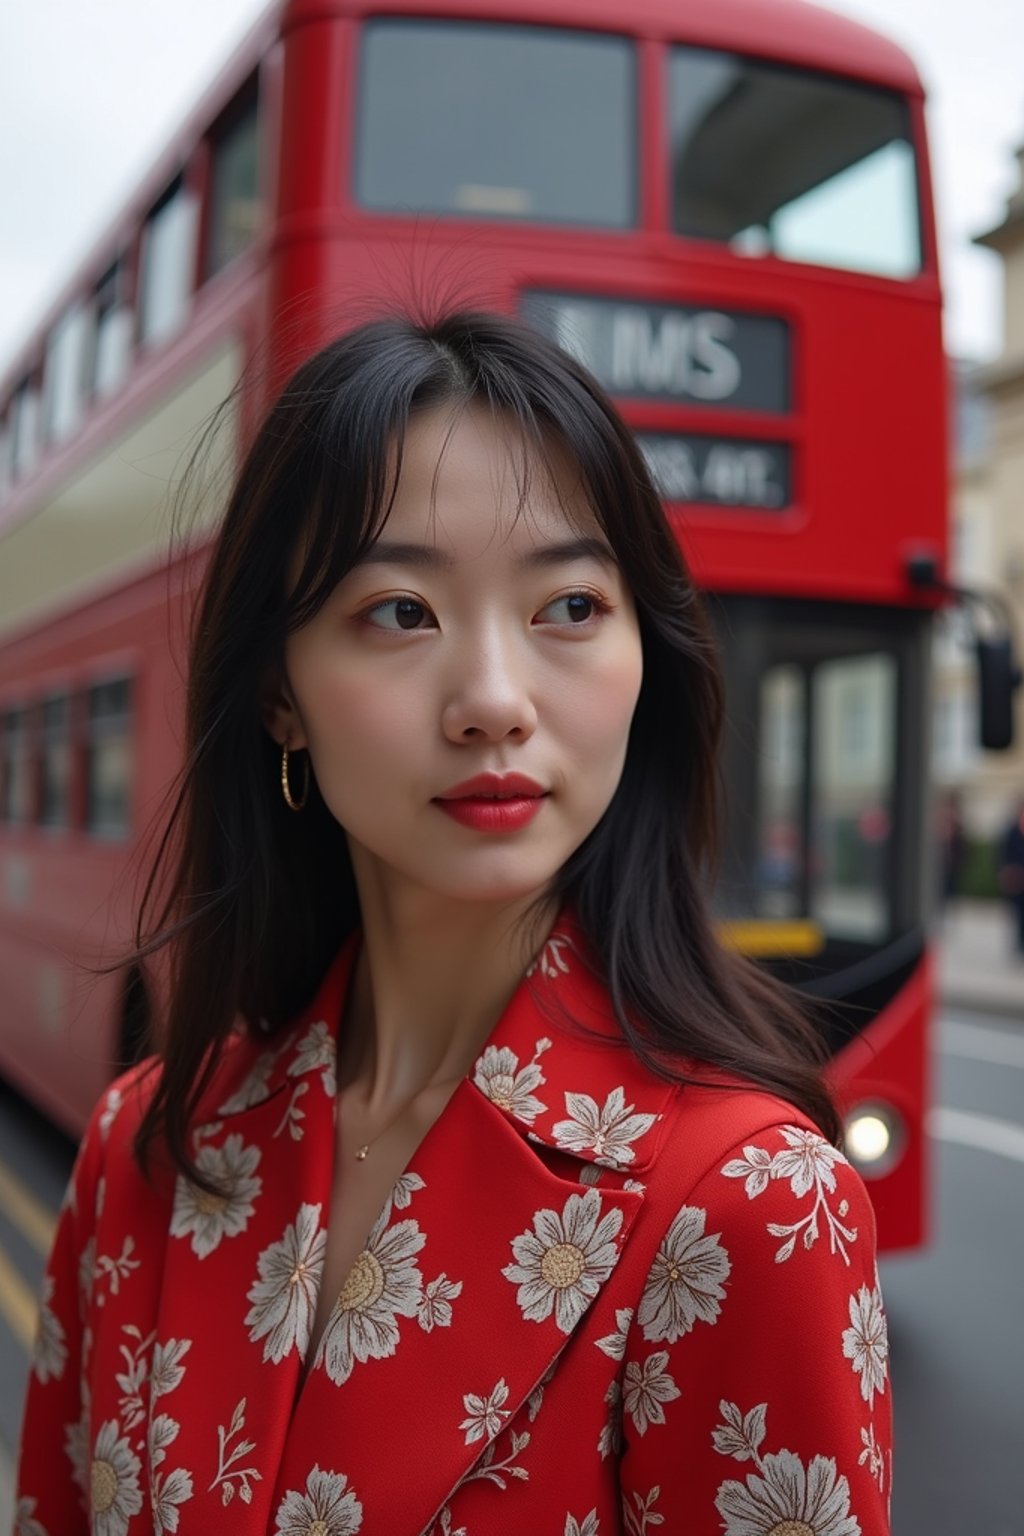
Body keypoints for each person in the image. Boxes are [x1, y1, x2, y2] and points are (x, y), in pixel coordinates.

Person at [16, 312, 891, 1535]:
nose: (492, 700)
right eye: (401, 611)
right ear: (280, 694)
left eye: (571, 607)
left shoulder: (750, 1207)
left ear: (648, 657)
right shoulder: (147, 1151)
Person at [998, 798, 1024, 953]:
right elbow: (1003, 855)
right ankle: (1018, 944)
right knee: (1017, 914)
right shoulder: (1011, 832)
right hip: (1016, 879)